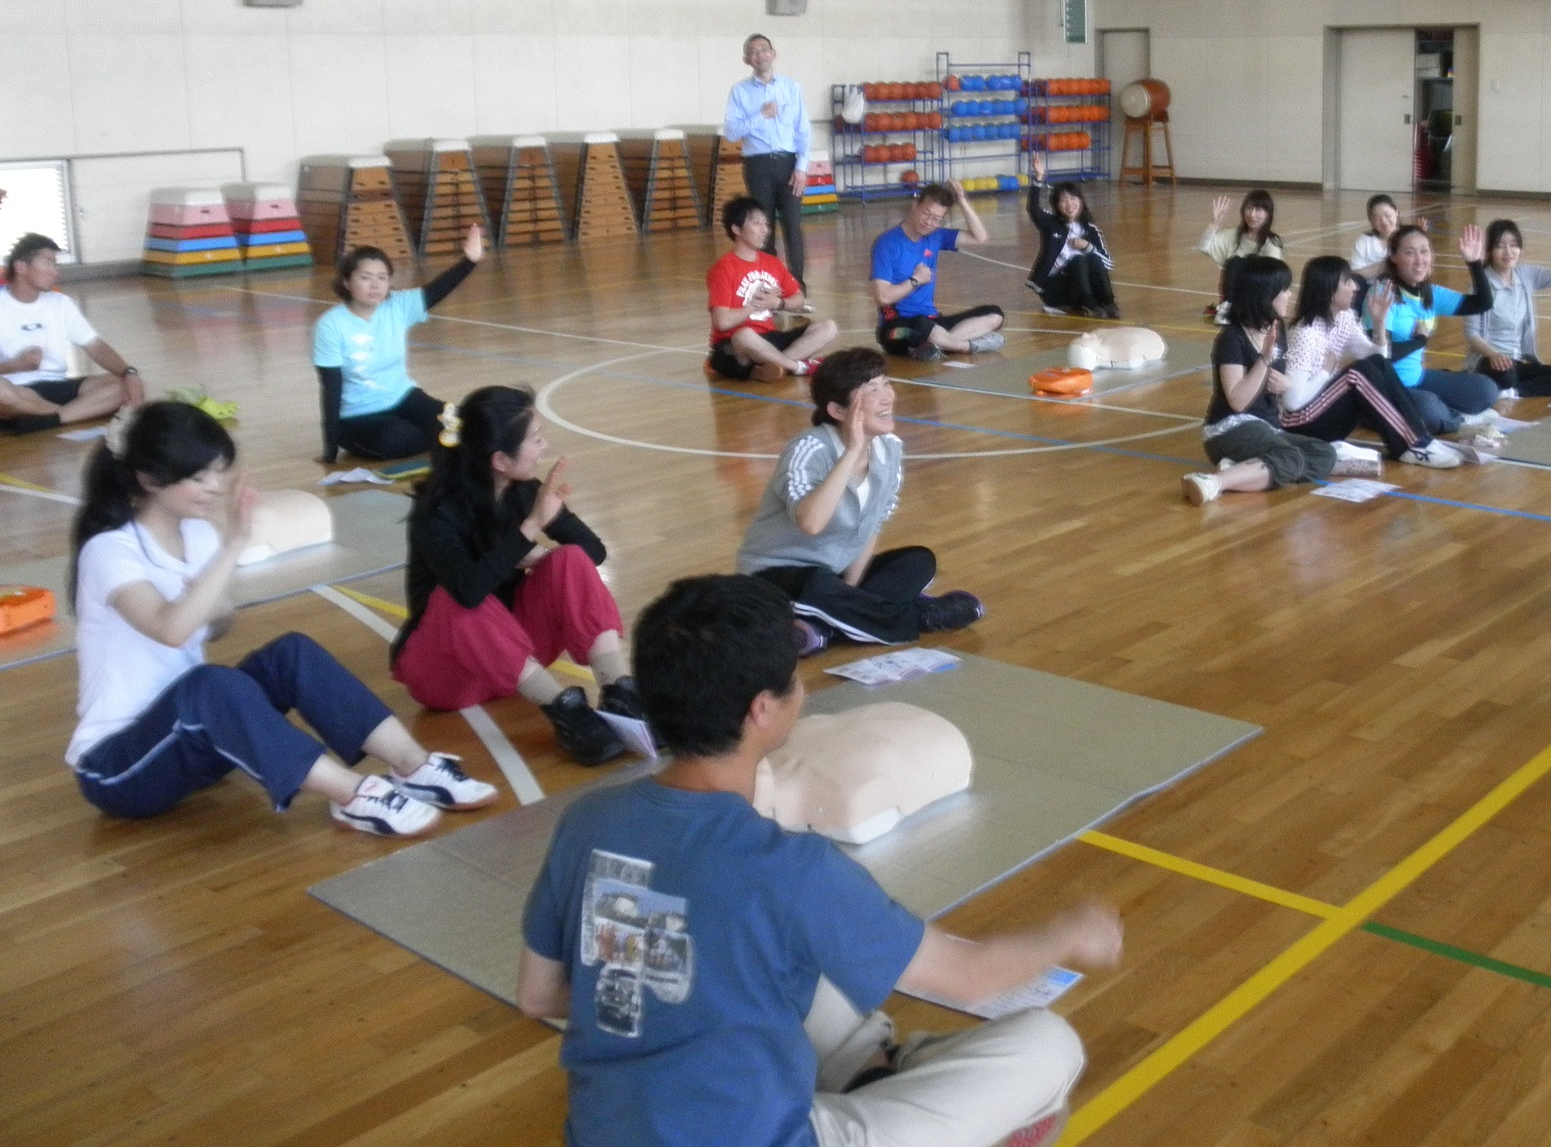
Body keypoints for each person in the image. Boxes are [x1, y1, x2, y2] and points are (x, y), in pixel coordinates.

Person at [517, 572, 1122, 1147]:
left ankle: (872, 1070)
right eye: (794, 677)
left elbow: (539, 997)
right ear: (761, 709)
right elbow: (971, 975)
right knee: (1049, 1044)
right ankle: (891, 1081)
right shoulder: (792, 868)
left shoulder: (586, 820)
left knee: (788, 955)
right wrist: (1069, 932)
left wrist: (662, 1001)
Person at [67, 402, 495, 835]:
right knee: (210, 684)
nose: (215, 486)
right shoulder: (109, 551)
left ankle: (413, 766)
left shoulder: (196, 534)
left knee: (291, 654)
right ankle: (354, 795)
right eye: (199, 477)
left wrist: (209, 599)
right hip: (119, 770)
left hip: (197, 738)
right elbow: (172, 630)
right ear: (149, 480)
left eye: (218, 472)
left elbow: (218, 624)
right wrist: (234, 545)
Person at [399, 386, 636, 768]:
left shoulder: (524, 492)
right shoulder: (436, 510)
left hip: (516, 659)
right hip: (450, 673)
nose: (544, 447)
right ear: (500, 460)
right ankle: (567, 714)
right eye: (536, 439)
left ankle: (620, 692)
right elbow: (468, 590)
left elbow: (593, 552)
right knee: (457, 598)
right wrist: (529, 531)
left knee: (568, 558)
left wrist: (539, 553)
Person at [737, 349, 983, 646]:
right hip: (777, 576)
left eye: (886, 383)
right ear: (838, 411)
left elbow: (872, 526)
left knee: (918, 561)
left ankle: (825, 628)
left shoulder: (889, 448)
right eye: (871, 389)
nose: (887, 397)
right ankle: (918, 616)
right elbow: (811, 523)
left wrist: (851, 590)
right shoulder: (808, 450)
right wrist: (853, 451)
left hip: (835, 573)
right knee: (819, 586)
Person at [314, 223, 484, 462]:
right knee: (396, 439)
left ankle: (434, 434)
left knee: (459, 421)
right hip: (358, 415)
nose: (375, 285)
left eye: (382, 278)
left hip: (403, 397)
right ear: (346, 282)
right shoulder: (330, 325)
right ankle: (428, 436)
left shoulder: (397, 305)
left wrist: (469, 261)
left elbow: (436, 291)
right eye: (365, 277)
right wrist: (330, 448)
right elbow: (331, 387)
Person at [1183, 256, 1341, 504]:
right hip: (1230, 427)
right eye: (1284, 290)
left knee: (1323, 454)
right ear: (1265, 294)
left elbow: (1281, 388)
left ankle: (1242, 469)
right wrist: (1264, 359)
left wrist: (1286, 384)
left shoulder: (1277, 330)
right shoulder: (1232, 338)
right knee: (1289, 457)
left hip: (1267, 425)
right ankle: (1213, 482)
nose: (1290, 295)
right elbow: (1237, 401)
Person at [1279, 255, 1455, 467]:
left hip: (1325, 411)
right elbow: (1292, 402)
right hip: (1300, 424)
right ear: (1330, 290)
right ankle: (1410, 446)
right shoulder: (1305, 334)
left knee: (1375, 365)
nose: (1354, 287)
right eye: (1347, 282)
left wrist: (1380, 324)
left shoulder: (1343, 318)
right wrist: (1325, 372)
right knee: (1357, 373)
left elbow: (1378, 360)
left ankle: (1421, 438)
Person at [0, 232, 147, 434]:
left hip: (58, 385)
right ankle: (66, 413)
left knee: (124, 385)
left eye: (56, 265)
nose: (55, 273)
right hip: (14, 388)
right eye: (48, 263)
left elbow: (95, 346)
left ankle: (53, 418)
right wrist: (15, 365)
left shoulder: (60, 303)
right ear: (21, 267)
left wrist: (128, 373)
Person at [1371, 224, 1503, 435]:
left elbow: (1482, 303)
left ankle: (1446, 413)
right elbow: (1380, 357)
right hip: (1386, 387)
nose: (1419, 259)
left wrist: (1474, 263)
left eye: (1424, 251)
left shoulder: (1431, 293)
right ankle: (1458, 419)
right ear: (1394, 257)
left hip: (1417, 378)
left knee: (1486, 389)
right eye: (1409, 253)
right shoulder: (1382, 294)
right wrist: (1420, 340)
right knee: (1429, 408)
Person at [708, 196, 838, 383]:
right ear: (736, 229)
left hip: (768, 339)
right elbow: (722, 322)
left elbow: (799, 299)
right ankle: (797, 366)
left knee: (828, 327)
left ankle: (773, 366)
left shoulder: (771, 262)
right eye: (757, 223)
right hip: (732, 347)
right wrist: (755, 305)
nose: (765, 230)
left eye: (766, 224)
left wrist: (778, 303)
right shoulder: (723, 269)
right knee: (744, 335)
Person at [870, 184, 1005, 364]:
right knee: (922, 326)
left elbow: (979, 237)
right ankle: (965, 346)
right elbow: (883, 297)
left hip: (933, 322)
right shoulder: (887, 243)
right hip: (895, 330)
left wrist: (961, 200)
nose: (929, 222)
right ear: (915, 206)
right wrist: (915, 280)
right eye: (926, 214)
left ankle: (937, 344)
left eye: (936, 219)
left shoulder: (936, 236)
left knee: (994, 315)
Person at [1465, 212, 1551, 397]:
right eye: (1500, 246)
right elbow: (1472, 334)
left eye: (1514, 245)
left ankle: (1514, 392)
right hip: (1488, 361)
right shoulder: (1480, 284)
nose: (1508, 252)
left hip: (1518, 362)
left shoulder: (1526, 274)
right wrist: (1494, 355)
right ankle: (1504, 386)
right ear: (1489, 251)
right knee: (1507, 376)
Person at [724, 33, 812, 282]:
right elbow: (731, 132)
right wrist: (759, 116)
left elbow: (803, 130)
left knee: (793, 224)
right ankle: (769, 283)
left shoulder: (791, 87)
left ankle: (798, 285)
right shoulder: (739, 91)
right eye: (753, 51)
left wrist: (801, 167)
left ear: (773, 54)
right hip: (758, 164)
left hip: (788, 163)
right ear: (746, 59)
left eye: (764, 49)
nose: (760, 54)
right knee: (764, 227)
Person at [1024, 154, 1119, 318]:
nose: (1069, 204)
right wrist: (1038, 178)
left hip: (1082, 285)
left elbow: (1108, 264)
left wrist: (1087, 247)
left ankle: (1108, 303)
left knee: (1093, 257)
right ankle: (1089, 304)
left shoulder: (1091, 230)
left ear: (1081, 201)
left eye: (1073, 198)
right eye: (1063, 200)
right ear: (1056, 205)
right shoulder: (1051, 224)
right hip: (1056, 289)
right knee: (1078, 260)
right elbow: (1033, 209)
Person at [1199, 189, 1282, 323]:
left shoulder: (1271, 242)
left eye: (1258, 210)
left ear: (1268, 214)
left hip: (1259, 297)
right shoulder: (1233, 235)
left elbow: (1272, 276)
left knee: (1241, 263)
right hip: (1235, 297)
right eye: (1249, 208)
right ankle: (1227, 308)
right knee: (1234, 262)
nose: (1252, 214)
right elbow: (1204, 247)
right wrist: (1215, 223)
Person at [1349, 195, 1404, 278]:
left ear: (1396, 212)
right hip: (1366, 284)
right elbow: (1355, 272)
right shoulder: (1364, 240)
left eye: (1387, 215)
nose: (1384, 221)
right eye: (1377, 218)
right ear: (1370, 220)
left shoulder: (1407, 238)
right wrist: (1386, 266)